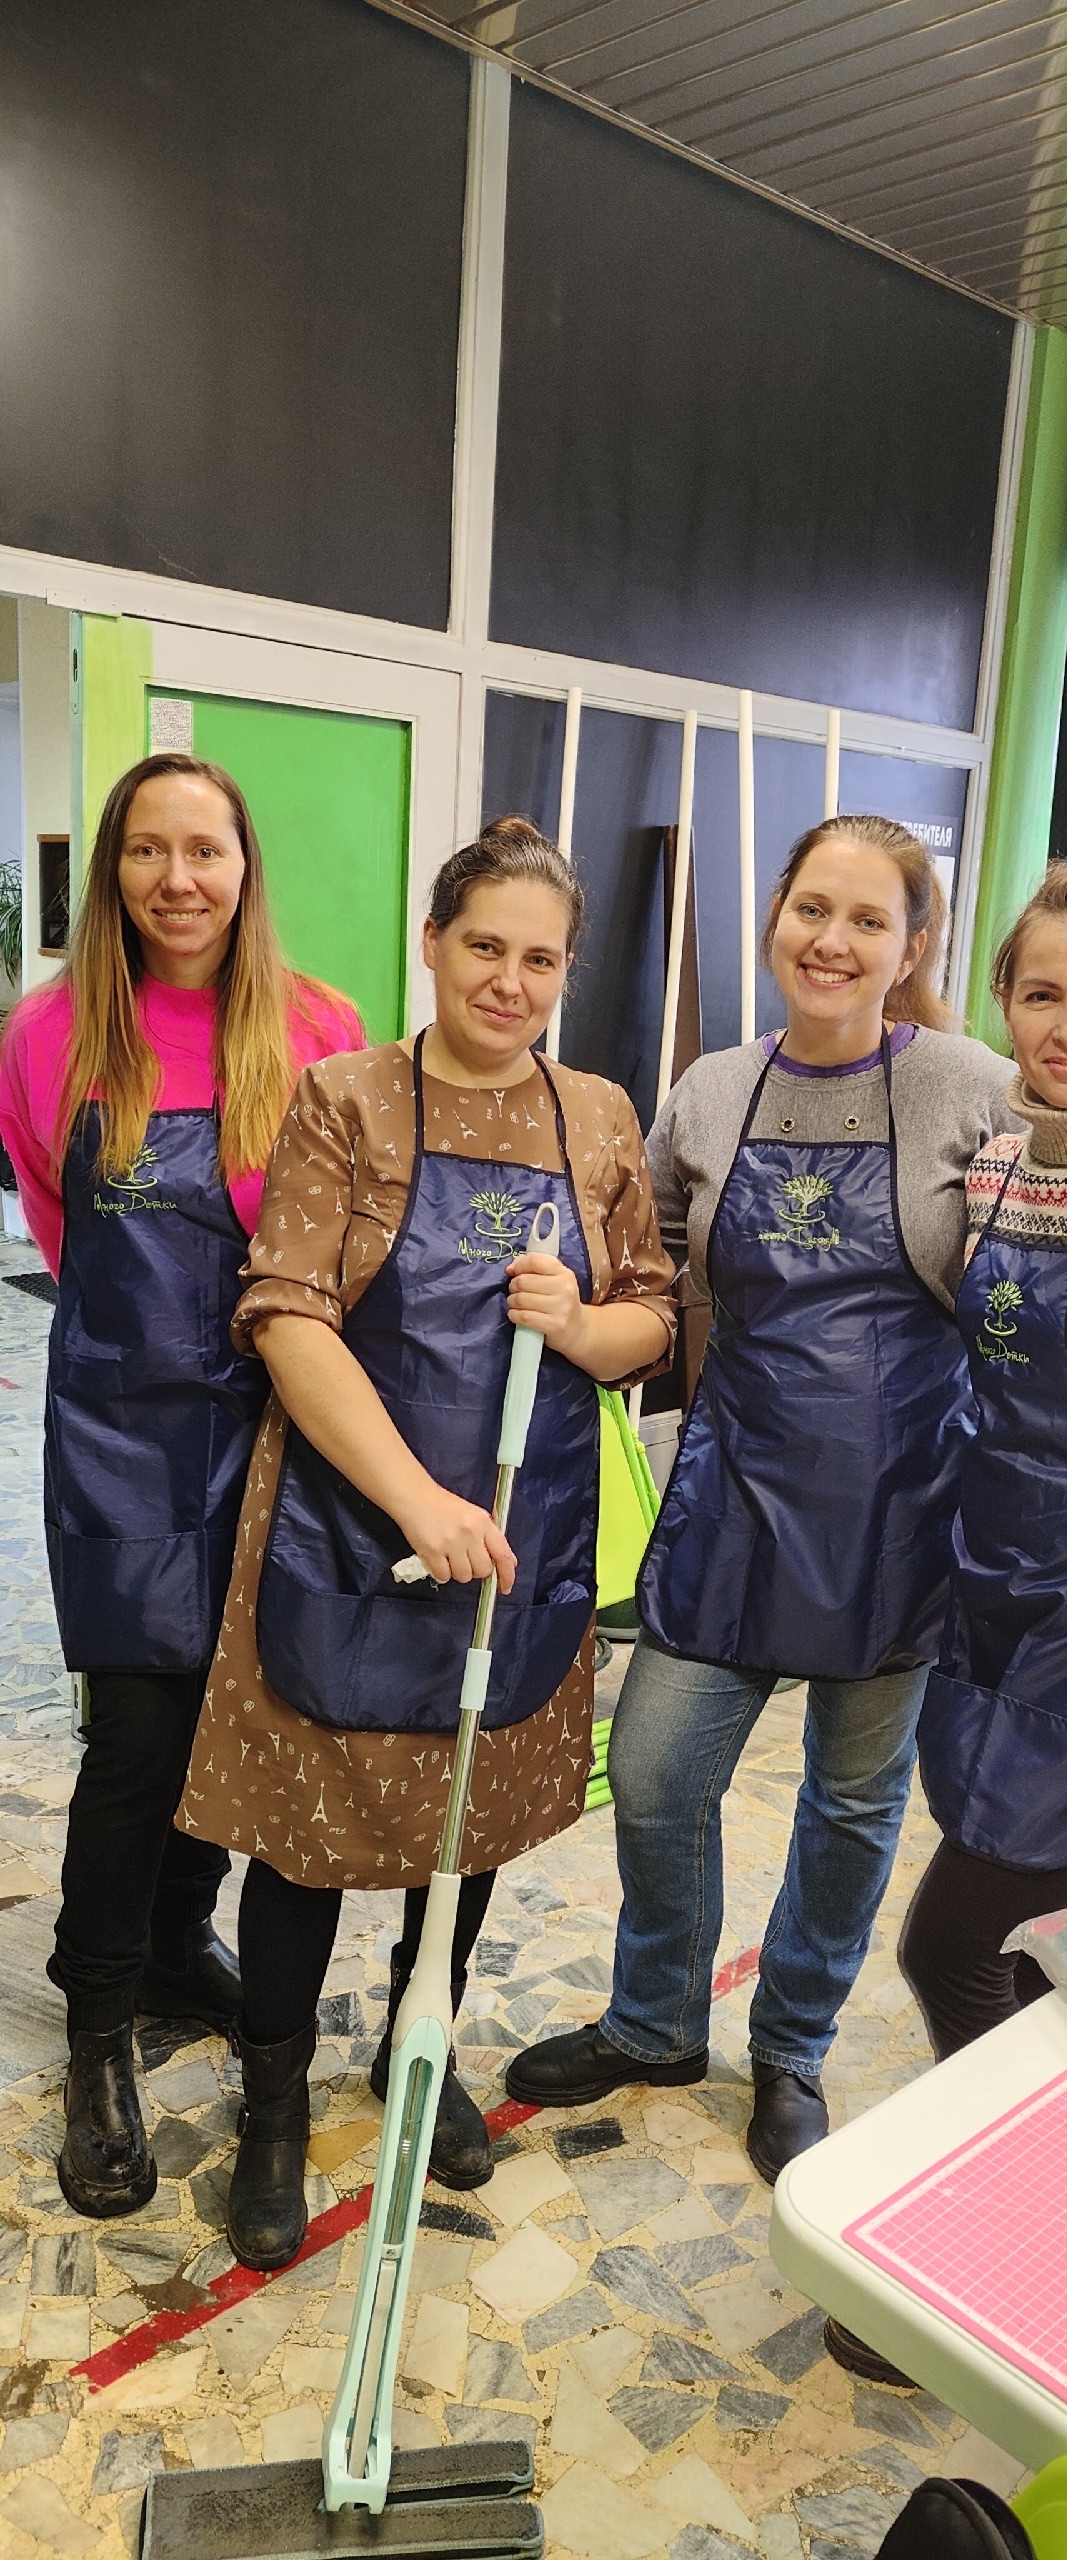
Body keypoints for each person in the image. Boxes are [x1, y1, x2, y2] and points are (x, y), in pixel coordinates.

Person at [177, 815, 677, 2269]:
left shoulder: (599, 1116)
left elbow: (653, 1312)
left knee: (465, 1824)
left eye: (541, 959)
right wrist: (417, 1503)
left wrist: (578, 1325)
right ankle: (276, 2103)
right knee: (310, 1841)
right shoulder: (346, 1099)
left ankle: (423, 2046)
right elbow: (286, 1315)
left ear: (566, 970)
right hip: (352, 1528)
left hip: (522, 1542)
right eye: (483, 947)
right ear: (432, 943)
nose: (509, 983)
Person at [507, 814, 1020, 2203]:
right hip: (735, 1488)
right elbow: (658, 1265)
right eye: (811, 909)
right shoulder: (713, 1088)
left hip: (901, 1512)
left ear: (912, 946)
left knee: (851, 1807)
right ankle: (656, 2019)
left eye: (867, 920)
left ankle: (790, 2046)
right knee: (657, 1772)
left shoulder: (972, 1089)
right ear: (775, 917)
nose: (831, 941)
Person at [0, 754, 363, 2219]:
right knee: (140, 1740)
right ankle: (98, 2024)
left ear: (243, 864)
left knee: (238, 1716)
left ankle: (172, 1942)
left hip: (274, 1429)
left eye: (203, 849)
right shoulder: (47, 1036)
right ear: (114, 871)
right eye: (147, 851)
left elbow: (340, 1232)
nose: (178, 879)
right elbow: (55, 1216)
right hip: (121, 1435)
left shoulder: (320, 1027)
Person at [902, 863, 1067, 2055]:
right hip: (1000, 1594)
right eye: (1043, 993)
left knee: (951, 1950)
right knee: (1046, 1935)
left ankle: (1008, 2166)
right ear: (1002, 998)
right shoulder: (998, 1166)